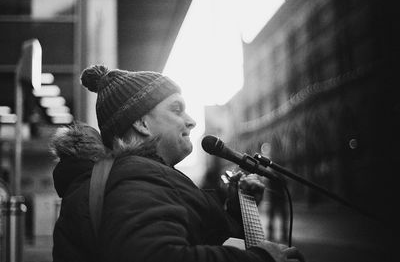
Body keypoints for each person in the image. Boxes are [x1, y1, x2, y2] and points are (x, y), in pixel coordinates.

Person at [50, 65, 305, 262]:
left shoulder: (136, 178)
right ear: (141, 123)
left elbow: (193, 237)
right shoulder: (135, 180)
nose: (191, 121)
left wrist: (237, 209)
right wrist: (259, 258)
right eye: (176, 109)